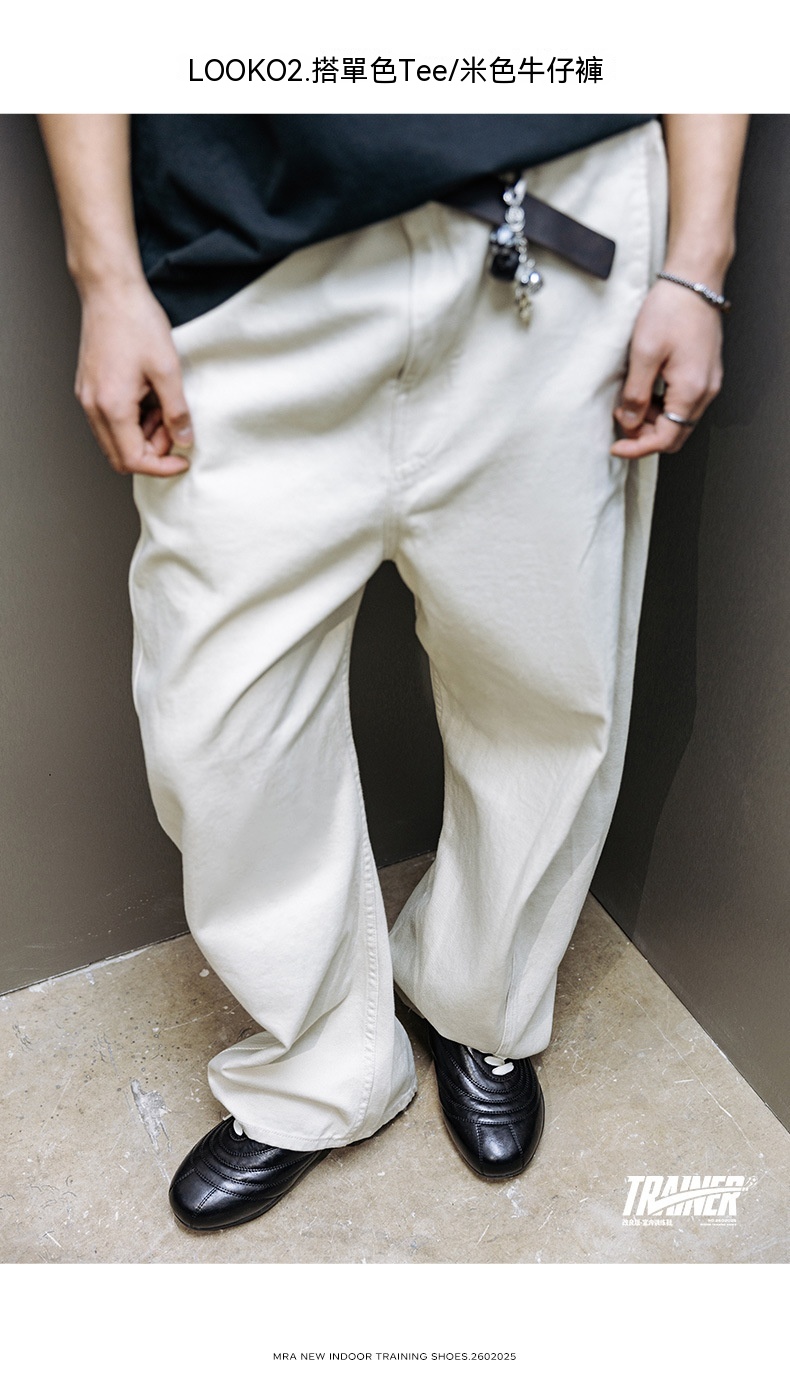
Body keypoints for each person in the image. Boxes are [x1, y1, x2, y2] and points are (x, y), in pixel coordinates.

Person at [38, 113, 748, 1231]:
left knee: (541, 683)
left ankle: (480, 1002)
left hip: (546, 233)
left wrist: (698, 263)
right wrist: (105, 277)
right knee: (218, 728)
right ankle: (326, 1064)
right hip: (247, 264)